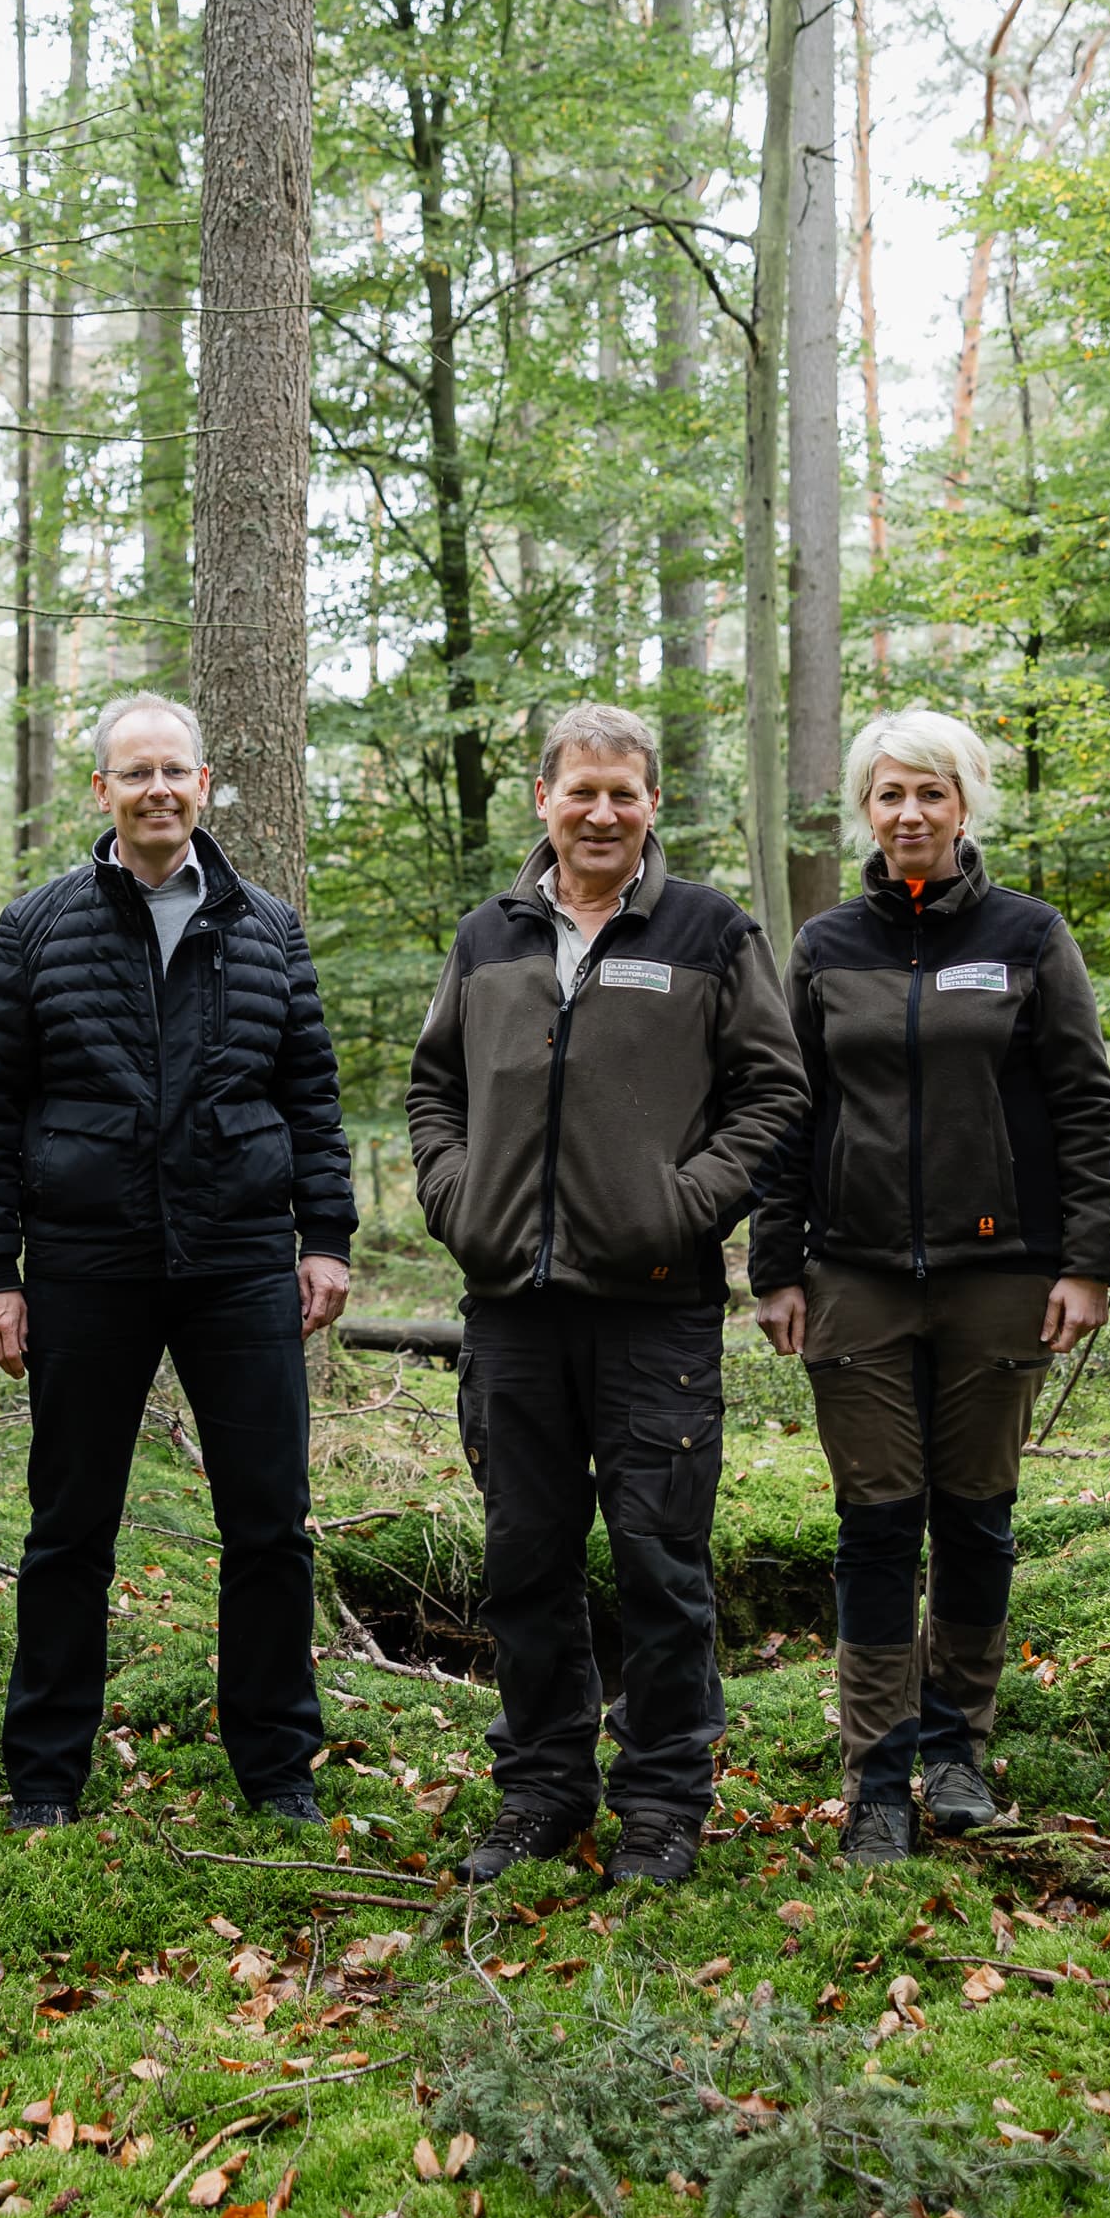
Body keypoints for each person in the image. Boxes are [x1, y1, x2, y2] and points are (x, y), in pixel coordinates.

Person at [406, 703, 806, 1889]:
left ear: (651, 805)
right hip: (512, 1311)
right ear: (544, 799)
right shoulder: (489, 938)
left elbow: (774, 1095)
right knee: (524, 1559)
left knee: (659, 1563)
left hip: (654, 1310)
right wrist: (455, 1194)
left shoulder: (708, 930)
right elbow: (434, 1088)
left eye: (623, 793)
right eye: (580, 790)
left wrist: (681, 1206)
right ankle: (539, 1787)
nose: (601, 812)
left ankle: (665, 1801)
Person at [0, 694, 358, 1832]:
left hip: (238, 1261)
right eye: (135, 774)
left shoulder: (267, 927)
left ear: (207, 781)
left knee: (270, 1524)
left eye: (175, 770)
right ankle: (44, 1775)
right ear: (102, 793)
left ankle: (278, 1769)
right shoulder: (38, 926)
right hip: (87, 1262)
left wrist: (324, 1238)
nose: (158, 791)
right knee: (71, 1526)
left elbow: (310, 1096)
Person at [748, 709, 1110, 1870]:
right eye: (889, 794)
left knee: (975, 1514)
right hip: (853, 1277)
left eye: (932, 793)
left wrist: (1087, 1258)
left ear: (965, 806)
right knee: (874, 1523)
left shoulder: (1028, 934)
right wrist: (775, 1263)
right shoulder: (824, 946)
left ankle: (957, 1747)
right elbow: (785, 1111)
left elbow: (1081, 1100)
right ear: (866, 810)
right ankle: (878, 1780)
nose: (910, 814)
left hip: (1000, 1275)